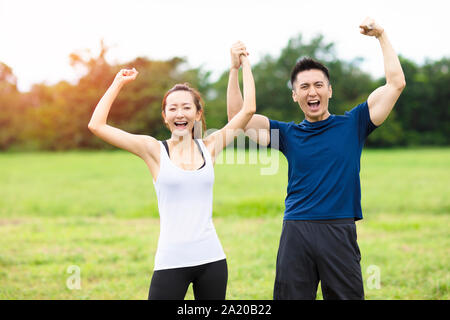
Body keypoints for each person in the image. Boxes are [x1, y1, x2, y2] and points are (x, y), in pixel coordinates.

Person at [227, 18, 406, 300]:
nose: (313, 91)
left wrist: (381, 36)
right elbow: (238, 119)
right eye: (305, 87)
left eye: (319, 85)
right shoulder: (286, 133)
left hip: (339, 229)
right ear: (295, 95)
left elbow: (396, 83)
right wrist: (235, 69)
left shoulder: (355, 123)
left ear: (329, 90)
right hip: (296, 229)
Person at [88, 51, 256, 300]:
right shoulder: (153, 150)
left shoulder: (210, 146)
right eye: (173, 108)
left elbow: (248, 109)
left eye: (187, 107)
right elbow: (97, 125)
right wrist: (117, 83)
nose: (180, 114)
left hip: (212, 259)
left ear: (197, 114)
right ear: (165, 116)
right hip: (171, 262)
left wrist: (241, 65)